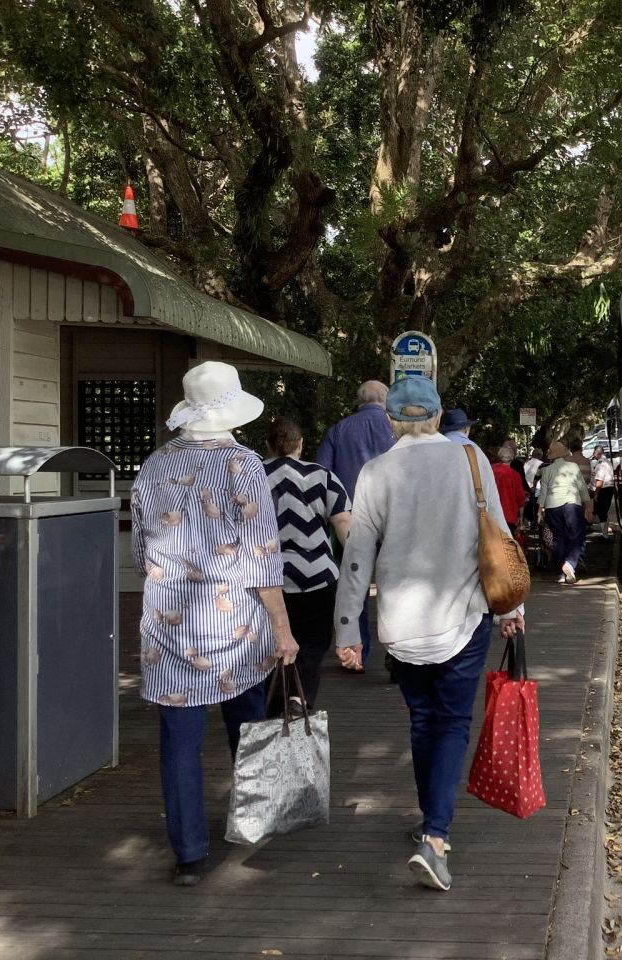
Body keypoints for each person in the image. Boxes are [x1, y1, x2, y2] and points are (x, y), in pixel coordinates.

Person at [333, 377, 524, 892]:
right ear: (438, 416)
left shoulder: (375, 471)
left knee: (423, 721)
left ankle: (428, 823)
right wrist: (513, 607)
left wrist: (348, 628)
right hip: (464, 616)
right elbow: (500, 537)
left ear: (391, 421)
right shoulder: (470, 460)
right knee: (453, 722)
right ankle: (436, 837)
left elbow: (357, 556)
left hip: (400, 625)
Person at [130, 361, 298, 887]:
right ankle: (252, 818)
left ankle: (189, 854)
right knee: (246, 726)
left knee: (179, 742)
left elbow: (139, 550)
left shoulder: (154, 464)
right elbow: (262, 557)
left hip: (168, 625)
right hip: (234, 627)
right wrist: (282, 628)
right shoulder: (243, 464)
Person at [263, 418, 352, 712]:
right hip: (318, 575)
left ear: (268, 445)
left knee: (271, 639)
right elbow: (343, 524)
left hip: (270, 575)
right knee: (313, 643)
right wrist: (357, 567)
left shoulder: (255, 476)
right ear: (300, 445)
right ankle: (299, 698)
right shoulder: (323, 476)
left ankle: (274, 697)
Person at [316, 380, 395, 670]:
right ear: (385, 399)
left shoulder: (339, 430)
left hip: (349, 520)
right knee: (393, 583)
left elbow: (323, 473)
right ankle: (396, 653)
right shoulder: (396, 429)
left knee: (353, 584)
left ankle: (356, 649)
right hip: (391, 517)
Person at [539, 440, 592, 584]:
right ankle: (570, 563)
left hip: (552, 506)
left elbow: (543, 493)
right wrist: (588, 506)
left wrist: (539, 510)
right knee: (577, 536)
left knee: (558, 539)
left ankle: (561, 574)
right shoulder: (573, 467)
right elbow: (582, 488)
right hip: (571, 504)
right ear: (564, 454)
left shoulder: (546, 470)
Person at [491, 441, 526, 536]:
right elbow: (521, 499)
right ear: (512, 458)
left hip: (492, 514)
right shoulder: (515, 475)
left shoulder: (491, 470)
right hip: (509, 515)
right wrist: (521, 519)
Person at [590, 445, 616, 536]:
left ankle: (605, 535)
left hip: (603, 490)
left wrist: (596, 494)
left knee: (601, 512)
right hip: (608, 489)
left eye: (594, 452)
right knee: (603, 512)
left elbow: (599, 481)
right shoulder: (607, 462)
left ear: (597, 452)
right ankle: (605, 532)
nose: (593, 454)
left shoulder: (601, 464)